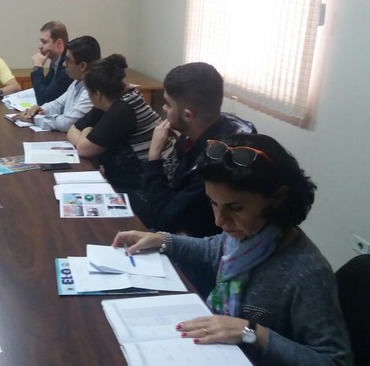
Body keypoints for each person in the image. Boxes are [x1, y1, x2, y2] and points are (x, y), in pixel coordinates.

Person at [113, 134, 352, 365]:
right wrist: (161, 240)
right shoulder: (251, 237)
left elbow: (334, 360)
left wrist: (251, 332)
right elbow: (211, 249)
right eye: (213, 203)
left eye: (235, 208)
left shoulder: (308, 273)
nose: (219, 220)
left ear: (277, 198)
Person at [142, 62, 256, 236]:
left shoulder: (216, 163)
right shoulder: (217, 124)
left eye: (168, 104)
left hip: (202, 243)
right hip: (183, 221)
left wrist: (154, 157)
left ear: (188, 115)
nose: (164, 109)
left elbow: (163, 221)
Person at [67, 54, 160, 209]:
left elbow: (83, 149)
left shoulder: (122, 109)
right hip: (130, 178)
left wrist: (87, 132)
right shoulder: (111, 99)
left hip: (145, 188)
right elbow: (73, 129)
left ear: (97, 94)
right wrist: (85, 137)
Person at [12, 35, 100, 132]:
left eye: (68, 60)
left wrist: (34, 118)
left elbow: (68, 123)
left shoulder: (92, 91)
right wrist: (41, 109)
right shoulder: (77, 81)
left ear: (83, 66)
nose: (63, 64)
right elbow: (58, 104)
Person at [30, 21, 73, 104]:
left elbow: (43, 100)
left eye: (44, 42)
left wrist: (37, 68)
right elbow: (45, 88)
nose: (39, 46)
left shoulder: (67, 66)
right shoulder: (55, 61)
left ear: (59, 43)